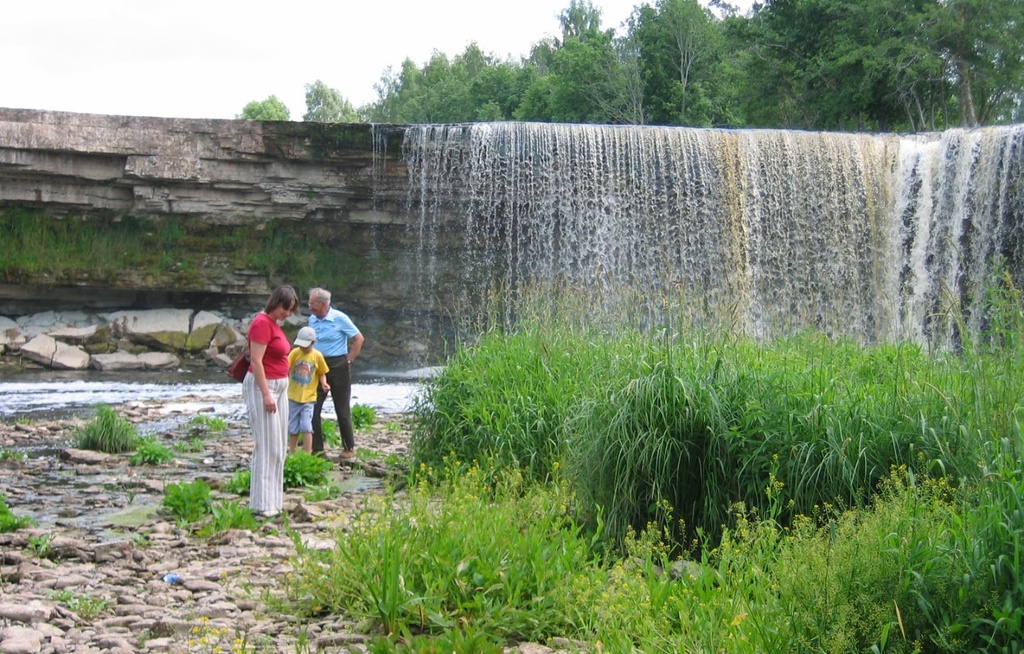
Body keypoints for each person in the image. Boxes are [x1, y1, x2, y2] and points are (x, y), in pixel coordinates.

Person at [242, 285, 298, 518]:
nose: (288, 313)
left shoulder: (273, 324)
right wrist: (266, 394)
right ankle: (261, 505)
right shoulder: (262, 323)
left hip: (279, 386)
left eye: (291, 309)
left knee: (277, 447)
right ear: (276, 303)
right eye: (286, 308)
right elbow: (256, 361)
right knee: (266, 446)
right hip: (264, 387)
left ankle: (274, 502)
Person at [307, 287, 364, 460]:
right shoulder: (312, 320)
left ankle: (349, 448)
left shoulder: (339, 318)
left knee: (342, 408)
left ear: (323, 304)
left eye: (312, 304)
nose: (309, 307)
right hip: (317, 365)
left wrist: (349, 360)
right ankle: (317, 449)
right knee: (312, 408)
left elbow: (359, 338)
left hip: (338, 365)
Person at [286, 326, 330, 454]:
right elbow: (286, 368)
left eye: (306, 345)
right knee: (293, 427)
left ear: (313, 342)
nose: (303, 348)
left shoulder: (317, 356)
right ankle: (292, 453)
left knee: (306, 426)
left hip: (309, 398)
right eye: (301, 345)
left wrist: (324, 384)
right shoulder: (295, 353)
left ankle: (306, 453)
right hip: (293, 396)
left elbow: (322, 372)